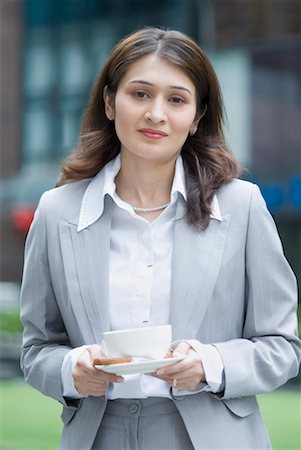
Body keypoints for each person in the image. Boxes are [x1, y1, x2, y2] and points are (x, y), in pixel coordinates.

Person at [20, 27, 301, 450]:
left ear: (197, 116)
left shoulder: (242, 206)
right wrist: (70, 369)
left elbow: (282, 347)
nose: (156, 114)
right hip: (99, 436)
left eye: (176, 99)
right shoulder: (57, 211)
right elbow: (37, 348)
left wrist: (210, 364)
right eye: (140, 94)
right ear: (110, 103)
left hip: (210, 435)